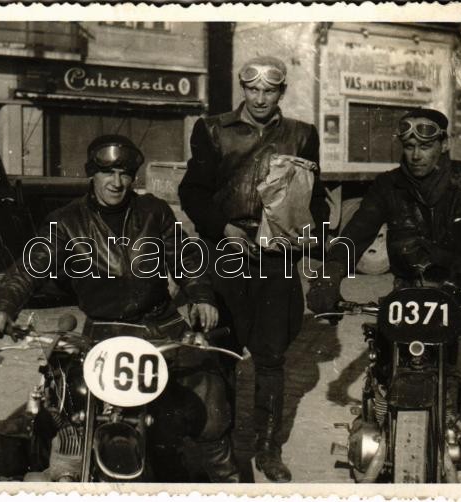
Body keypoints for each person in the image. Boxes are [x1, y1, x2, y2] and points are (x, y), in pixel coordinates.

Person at [307, 108, 461, 483]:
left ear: (443, 144)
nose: (416, 154)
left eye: (425, 145)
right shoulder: (388, 186)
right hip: (419, 302)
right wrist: (327, 280)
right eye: (408, 145)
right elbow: (356, 235)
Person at [0, 135, 240, 483]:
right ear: (91, 175)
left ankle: (230, 484)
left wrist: (201, 296)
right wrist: (6, 304)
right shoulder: (66, 221)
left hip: (159, 326)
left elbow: (186, 258)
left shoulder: (154, 212)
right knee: (74, 407)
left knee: (208, 400)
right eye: (107, 173)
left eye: (125, 173)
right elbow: (30, 265)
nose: (117, 182)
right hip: (104, 332)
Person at [178, 56, 326, 482]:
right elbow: (193, 192)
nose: (260, 99)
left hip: (277, 258)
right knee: (220, 354)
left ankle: (268, 450)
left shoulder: (301, 135)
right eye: (253, 89)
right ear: (243, 89)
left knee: (271, 357)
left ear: (282, 92)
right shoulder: (212, 130)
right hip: (225, 252)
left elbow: (313, 199)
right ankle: (220, 447)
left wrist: (311, 241)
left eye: (270, 91)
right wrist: (222, 227)